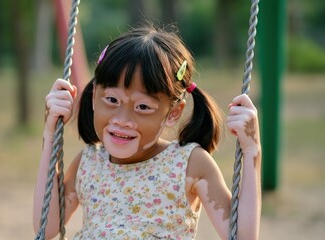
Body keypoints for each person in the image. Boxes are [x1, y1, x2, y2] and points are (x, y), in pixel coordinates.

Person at [33, 24, 261, 240]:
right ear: (93, 97)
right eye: (112, 100)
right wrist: (50, 135)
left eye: (142, 107)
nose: (122, 120)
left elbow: (240, 235)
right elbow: (47, 226)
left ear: (173, 113)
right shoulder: (90, 162)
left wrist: (251, 150)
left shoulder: (188, 163)